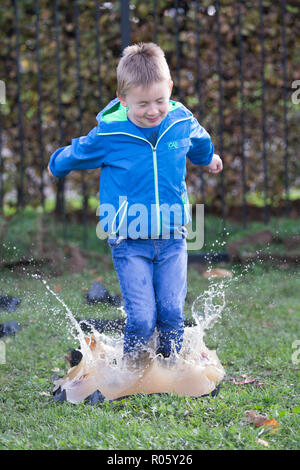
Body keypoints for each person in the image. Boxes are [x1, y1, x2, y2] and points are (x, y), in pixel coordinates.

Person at [48, 42, 223, 365]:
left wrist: (209, 158)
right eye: (142, 104)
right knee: (143, 318)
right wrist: (57, 164)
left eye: (160, 100)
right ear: (123, 99)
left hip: (172, 237)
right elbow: (80, 151)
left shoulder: (180, 120)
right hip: (129, 241)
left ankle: (169, 368)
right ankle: (131, 370)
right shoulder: (111, 134)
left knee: (172, 313)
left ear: (170, 88)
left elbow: (199, 141)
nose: (153, 110)